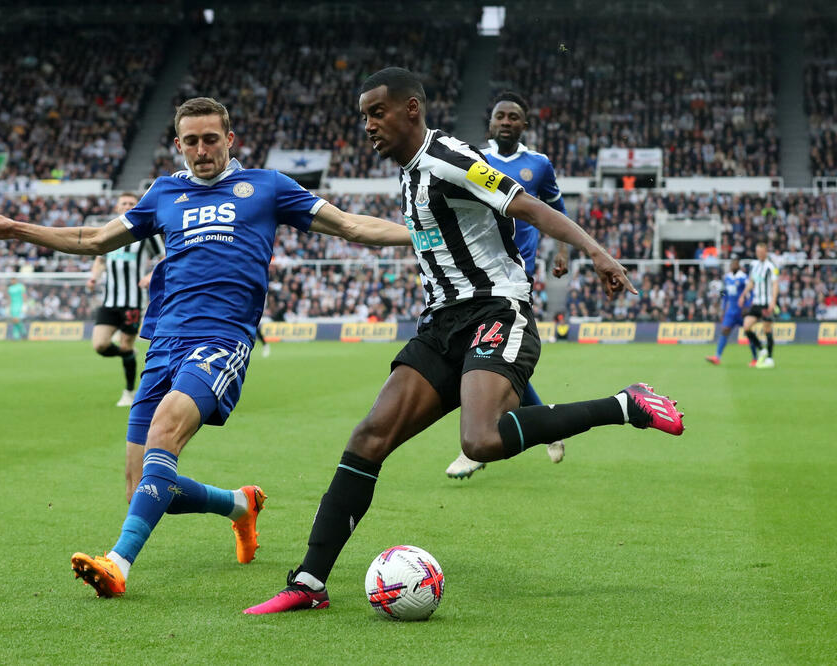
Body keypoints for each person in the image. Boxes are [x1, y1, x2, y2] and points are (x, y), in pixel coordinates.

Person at [244, 68, 684, 615]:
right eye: (363, 117)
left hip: (498, 308)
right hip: (441, 324)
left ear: (411, 109)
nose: (368, 126)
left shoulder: (448, 158)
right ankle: (309, 583)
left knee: (480, 440)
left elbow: (529, 206)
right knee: (368, 439)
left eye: (376, 113)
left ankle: (625, 405)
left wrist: (596, 251)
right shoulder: (407, 175)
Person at [0, 96, 412, 598]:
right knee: (142, 490)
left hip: (222, 340)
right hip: (162, 344)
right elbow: (93, 239)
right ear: (178, 145)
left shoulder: (266, 187)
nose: (202, 150)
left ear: (230, 140)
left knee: (164, 432)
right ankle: (239, 504)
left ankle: (117, 565)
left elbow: (351, 224)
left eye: (211, 139)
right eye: (192, 141)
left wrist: (423, 234)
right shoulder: (163, 193)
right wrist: (16, 230)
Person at [445, 91, 569, 479]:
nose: (506, 122)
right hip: (475, 273)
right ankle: (547, 425)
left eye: (514, 116)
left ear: (524, 125)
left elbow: (555, 211)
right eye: (500, 115)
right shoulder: (475, 160)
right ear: (490, 121)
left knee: (479, 352)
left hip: (515, 276)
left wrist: (562, 250)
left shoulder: (539, 164)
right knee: (492, 355)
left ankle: (474, 447)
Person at [86, 192, 165, 407]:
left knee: (126, 343)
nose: (128, 206)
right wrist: (94, 277)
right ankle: (128, 354)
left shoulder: (146, 232)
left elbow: (165, 257)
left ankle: (129, 392)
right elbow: (100, 261)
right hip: (110, 300)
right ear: (117, 207)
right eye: (124, 203)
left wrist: (150, 275)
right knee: (100, 345)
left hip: (133, 301)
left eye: (132, 203)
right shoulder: (108, 232)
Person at [739, 242, 779, 369]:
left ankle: (770, 358)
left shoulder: (771, 266)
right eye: (757, 252)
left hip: (767, 303)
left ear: (766, 251)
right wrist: (743, 294)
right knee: (746, 326)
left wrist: (773, 301)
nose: (759, 254)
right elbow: (751, 282)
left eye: (761, 252)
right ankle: (762, 349)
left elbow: (775, 284)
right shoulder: (754, 265)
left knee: (767, 329)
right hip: (756, 302)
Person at [705, 258, 748, 365]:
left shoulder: (743, 277)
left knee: (749, 333)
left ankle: (755, 357)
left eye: (734, 264)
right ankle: (717, 357)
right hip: (731, 311)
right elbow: (725, 294)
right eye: (731, 264)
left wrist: (747, 306)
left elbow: (750, 293)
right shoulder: (727, 277)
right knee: (724, 330)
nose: (732, 266)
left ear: (738, 265)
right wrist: (723, 308)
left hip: (742, 310)